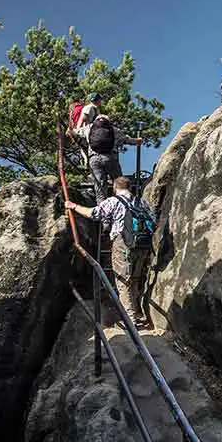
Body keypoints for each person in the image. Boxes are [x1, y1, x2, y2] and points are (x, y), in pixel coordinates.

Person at [65, 176, 154, 327]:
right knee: (136, 278)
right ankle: (137, 311)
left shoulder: (114, 201)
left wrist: (74, 206)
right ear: (130, 187)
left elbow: (94, 214)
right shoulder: (142, 202)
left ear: (115, 187)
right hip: (143, 244)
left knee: (122, 280)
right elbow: (153, 219)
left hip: (123, 243)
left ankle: (130, 320)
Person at [75, 114, 141, 203]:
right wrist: (137, 141)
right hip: (110, 158)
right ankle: (120, 205)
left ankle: (102, 209)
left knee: (100, 188)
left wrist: (70, 131)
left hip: (94, 160)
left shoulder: (89, 128)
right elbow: (126, 140)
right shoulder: (113, 129)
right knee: (119, 182)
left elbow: (74, 133)